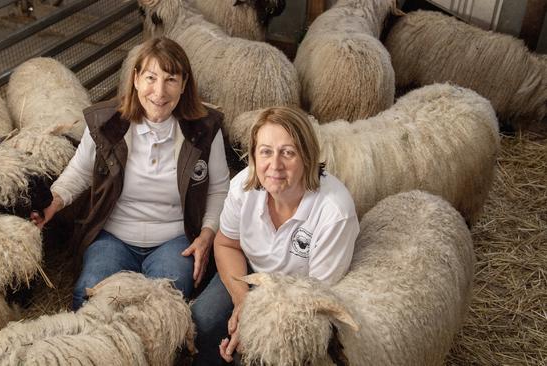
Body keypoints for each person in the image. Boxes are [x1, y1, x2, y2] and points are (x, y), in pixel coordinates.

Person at [32, 36, 230, 310]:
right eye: (151, 77)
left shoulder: (205, 129)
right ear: (135, 79)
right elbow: (79, 171)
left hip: (174, 239)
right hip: (113, 236)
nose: (159, 92)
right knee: (88, 295)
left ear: (184, 84)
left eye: (170, 79)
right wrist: (53, 203)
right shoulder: (106, 123)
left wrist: (206, 235)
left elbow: (219, 189)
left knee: (163, 305)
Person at [191, 106, 359, 365]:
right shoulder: (242, 188)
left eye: (288, 153)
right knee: (203, 321)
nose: (275, 165)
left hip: (298, 296)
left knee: (255, 354)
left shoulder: (335, 212)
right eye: (265, 152)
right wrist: (243, 301)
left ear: (307, 156)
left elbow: (316, 296)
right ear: (254, 156)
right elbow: (226, 244)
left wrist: (256, 325)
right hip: (249, 274)